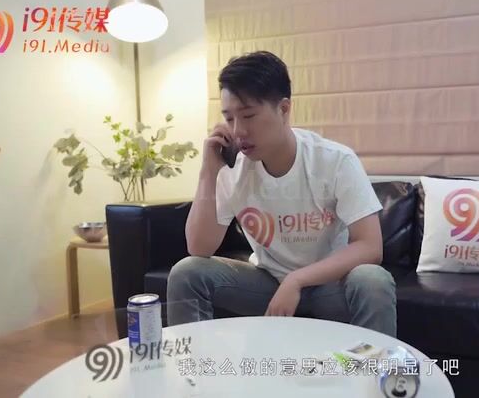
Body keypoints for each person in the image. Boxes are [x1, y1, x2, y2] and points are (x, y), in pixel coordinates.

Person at [167, 51, 396, 337]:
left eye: (248, 115)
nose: (238, 131)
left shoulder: (335, 161)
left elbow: (370, 246)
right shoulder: (232, 168)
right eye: (229, 118)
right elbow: (199, 248)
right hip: (266, 286)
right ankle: (193, 364)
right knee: (187, 272)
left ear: (284, 109)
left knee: (373, 279)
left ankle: (375, 366)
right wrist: (208, 172)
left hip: (329, 286)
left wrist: (297, 280)